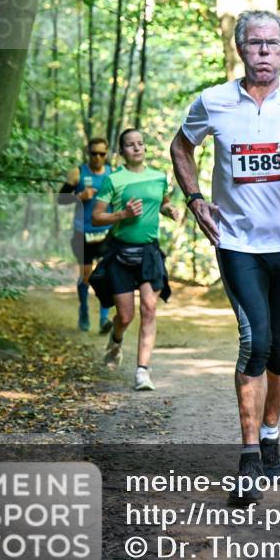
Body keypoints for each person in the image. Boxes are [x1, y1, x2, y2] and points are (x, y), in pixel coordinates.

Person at [169, 10, 280, 504]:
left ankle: (271, 435)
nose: (264, 52)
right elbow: (181, 147)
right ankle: (249, 455)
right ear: (240, 48)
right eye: (255, 44)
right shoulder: (213, 101)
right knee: (255, 339)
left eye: (272, 44)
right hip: (237, 243)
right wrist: (193, 198)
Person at [90, 128, 181, 391]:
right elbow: (96, 217)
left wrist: (169, 210)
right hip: (120, 253)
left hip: (149, 252)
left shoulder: (158, 176)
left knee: (149, 309)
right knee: (126, 316)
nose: (137, 148)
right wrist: (123, 214)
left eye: (141, 143)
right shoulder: (114, 180)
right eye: (130, 145)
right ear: (122, 152)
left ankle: (142, 371)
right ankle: (116, 341)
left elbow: (161, 203)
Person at [59, 137, 114, 333]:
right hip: (83, 232)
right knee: (86, 276)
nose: (97, 157)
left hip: (106, 233)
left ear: (106, 154)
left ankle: (104, 319)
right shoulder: (77, 173)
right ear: (87, 153)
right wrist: (79, 197)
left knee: (106, 276)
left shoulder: (112, 174)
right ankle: (83, 311)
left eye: (102, 154)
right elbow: (61, 200)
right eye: (94, 153)